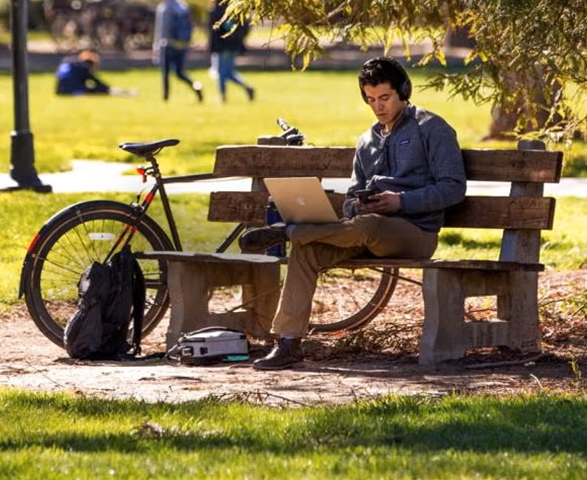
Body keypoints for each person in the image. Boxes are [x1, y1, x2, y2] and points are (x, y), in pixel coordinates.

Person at [239, 57, 467, 370]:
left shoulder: (432, 128)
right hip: (364, 229)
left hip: (415, 232)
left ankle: (289, 230)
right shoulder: (368, 140)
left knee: (366, 225)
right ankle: (288, 342)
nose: (378, 107)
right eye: (371, 100)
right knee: (309, 249)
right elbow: (350, 199)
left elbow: (453, 188)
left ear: (403, 91)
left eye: (384, 98)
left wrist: (400, 202)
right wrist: (356, 204)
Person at [153, 0, 203, 102]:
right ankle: (195, 86)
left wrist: (156, 45)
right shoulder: (183, 6)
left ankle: (165, 97)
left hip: (167, 44)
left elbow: (161, 29)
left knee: (165, 72)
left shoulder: (164, 8)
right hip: (181, 44)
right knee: (180, 72)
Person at [208, 0, 255, 102]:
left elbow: (215, 32)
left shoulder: (218, 10)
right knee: (229, 73)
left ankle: (223, 96)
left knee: (222, 73)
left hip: (223, 46)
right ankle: (247, 88)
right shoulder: (234, 7)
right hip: (233, 45)